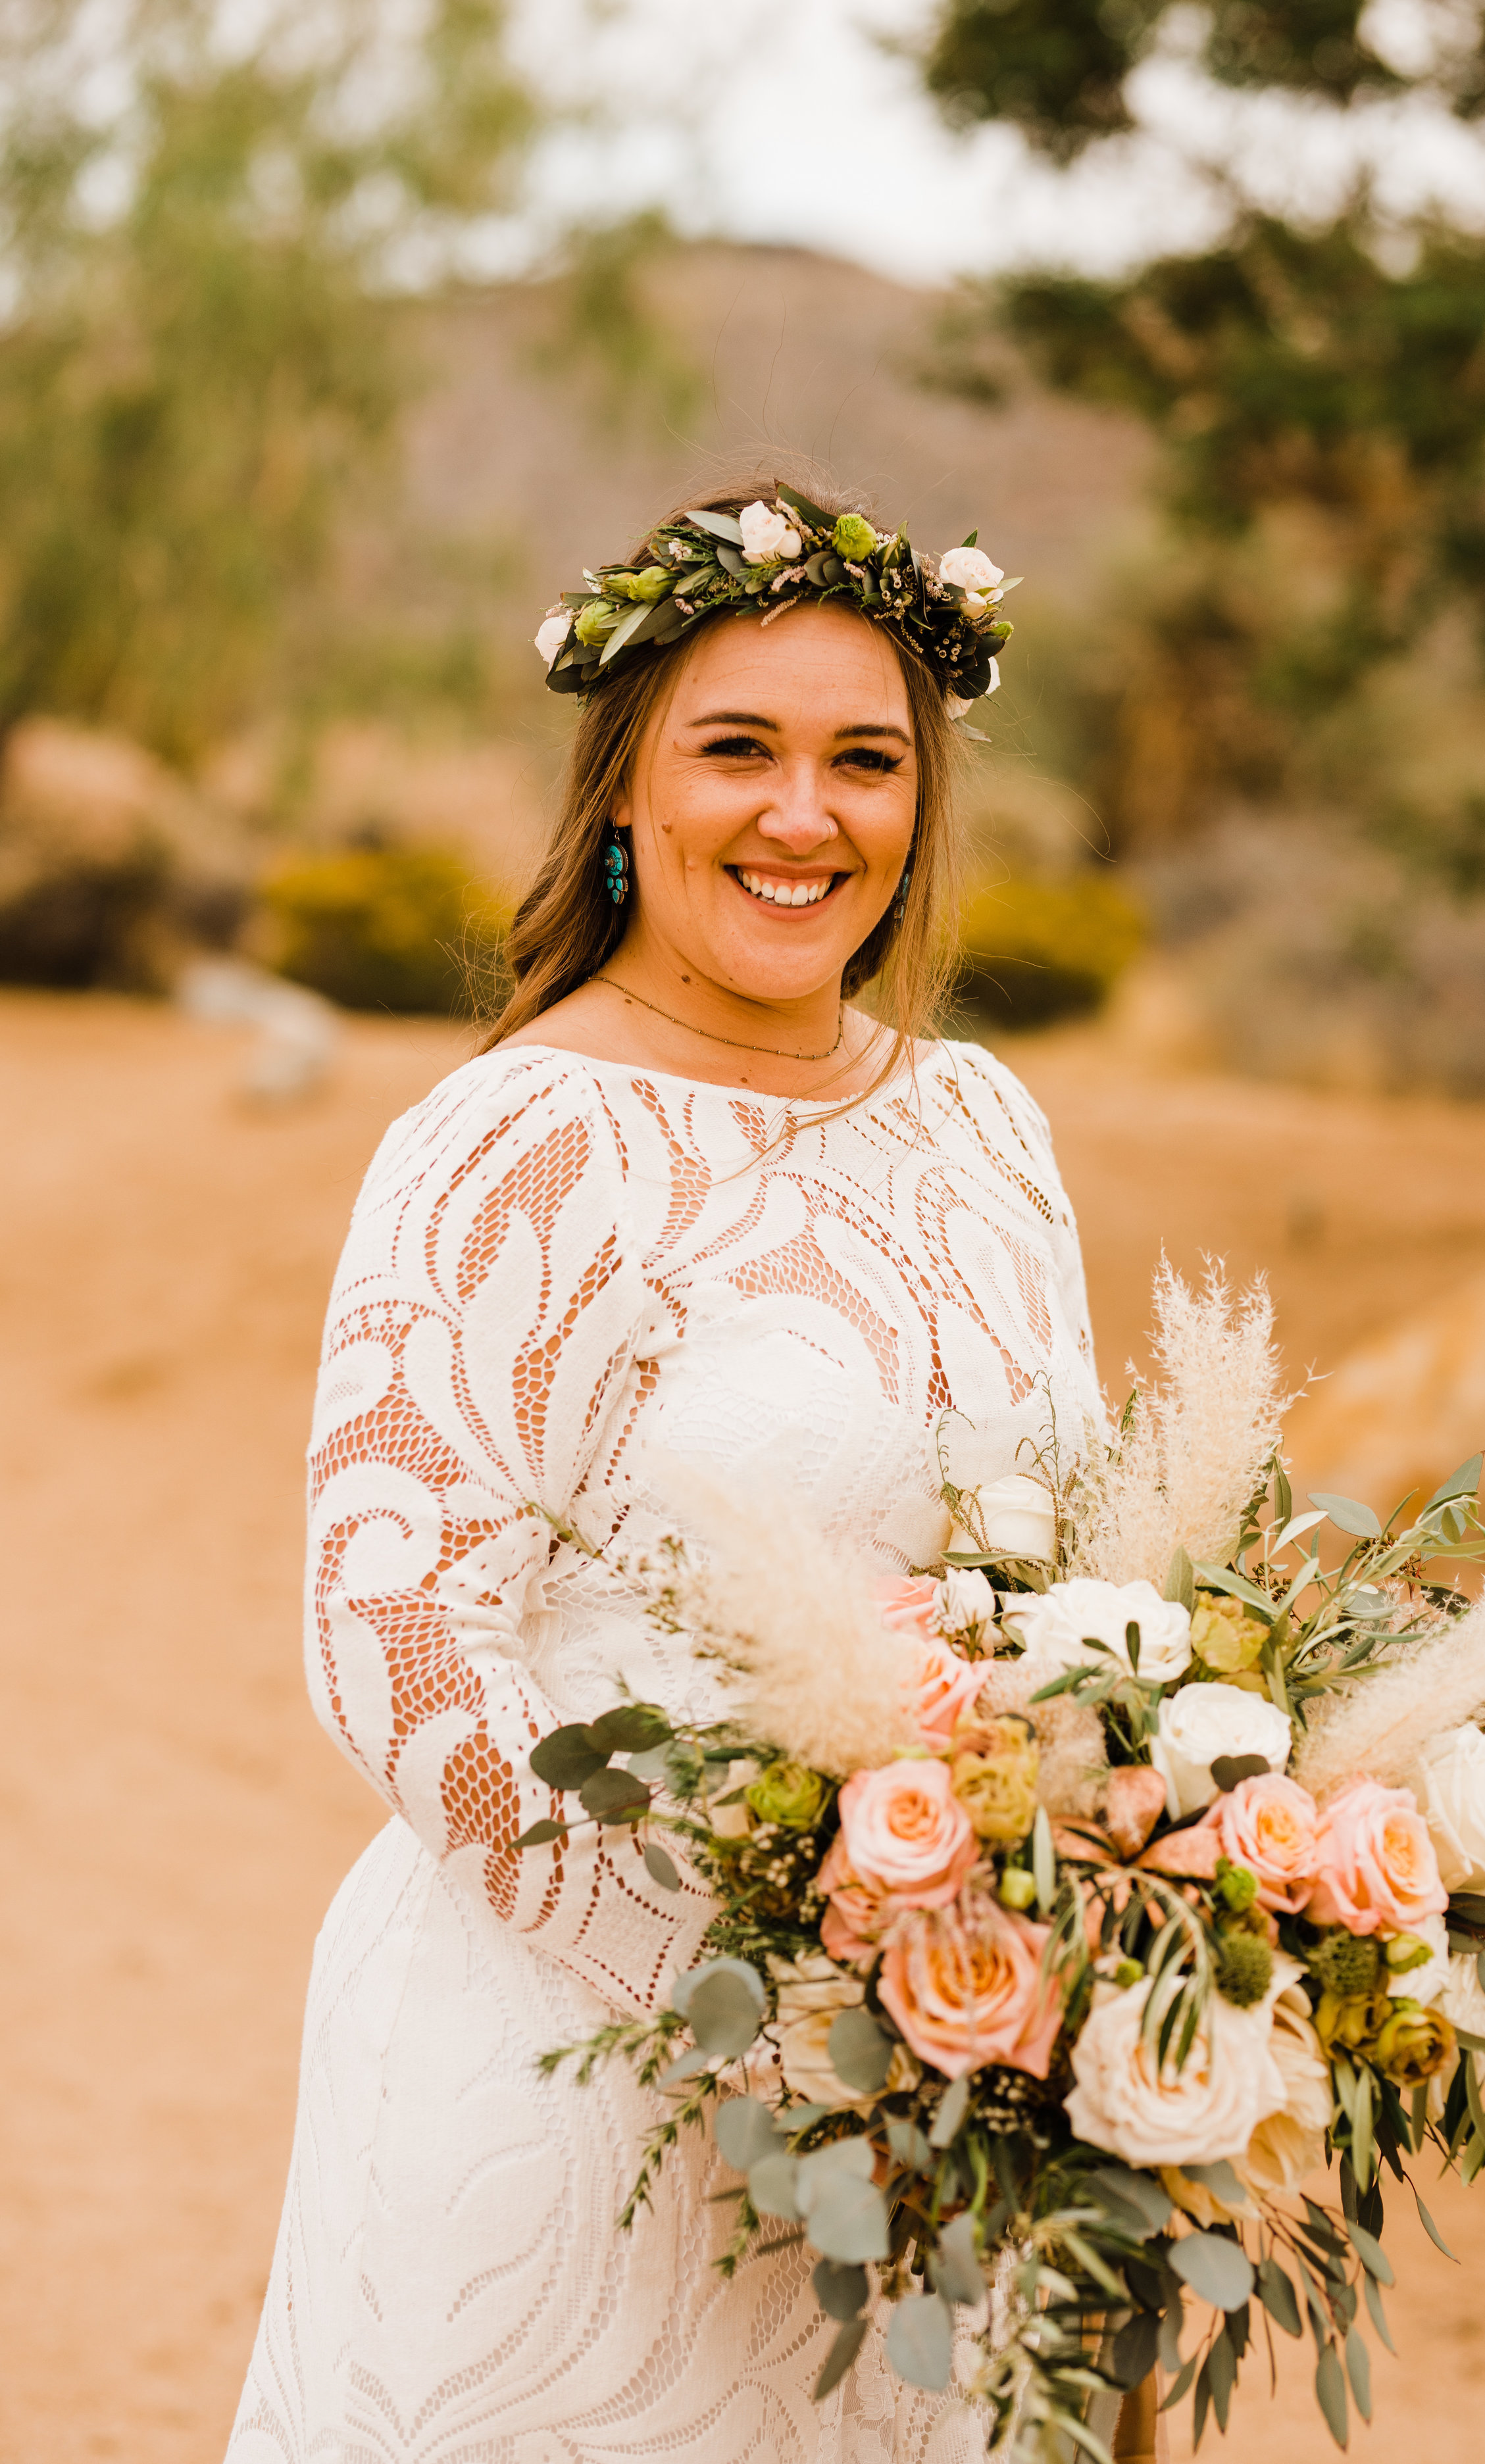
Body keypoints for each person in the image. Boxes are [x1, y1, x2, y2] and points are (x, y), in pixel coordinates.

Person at [226, 472, 1102, 2463]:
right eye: (738, 750)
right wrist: (749, 2001)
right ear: (625, 788)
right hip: (579, 2079)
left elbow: (1088, 1572)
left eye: (864, 760)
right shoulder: (520, 1140)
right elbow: (394, 1632)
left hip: (944, 2078)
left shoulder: (986, 1124)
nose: (805, 816)